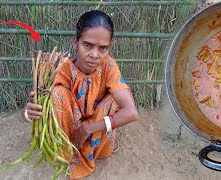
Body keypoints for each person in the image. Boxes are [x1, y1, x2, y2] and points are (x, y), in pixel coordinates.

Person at [22, 10, 139, 179]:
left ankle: (95, 149)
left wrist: (88, 128)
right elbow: (36, 105)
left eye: (103, 48)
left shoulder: (109, 66)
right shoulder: (60, 70)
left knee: (114, 100)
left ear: (109, 48)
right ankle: (67, 150)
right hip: (68, 136)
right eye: (87, 45)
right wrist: (27, 112)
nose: (95, 54)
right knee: (55, 94)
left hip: (96, 131)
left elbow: (131, 112)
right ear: (75, 42)